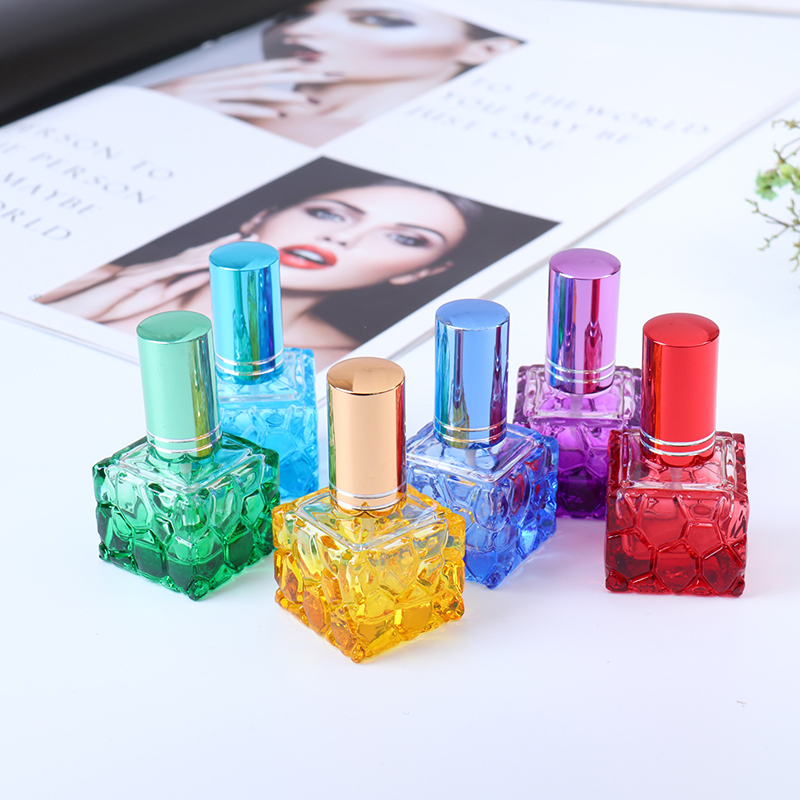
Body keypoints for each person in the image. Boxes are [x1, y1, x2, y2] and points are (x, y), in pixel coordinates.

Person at [38, 182, 477, 368]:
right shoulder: (92, 279)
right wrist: (106, 294)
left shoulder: (334, 365)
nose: (342, 237)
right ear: (260, 218)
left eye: (404, 239)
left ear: (420, 272)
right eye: (329, 214)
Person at [154, 0, 520, 146]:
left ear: (487, 49)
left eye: (377, 20)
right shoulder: (183, 107)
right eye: (292, 16)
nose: (298, 30)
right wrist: (151, 107)